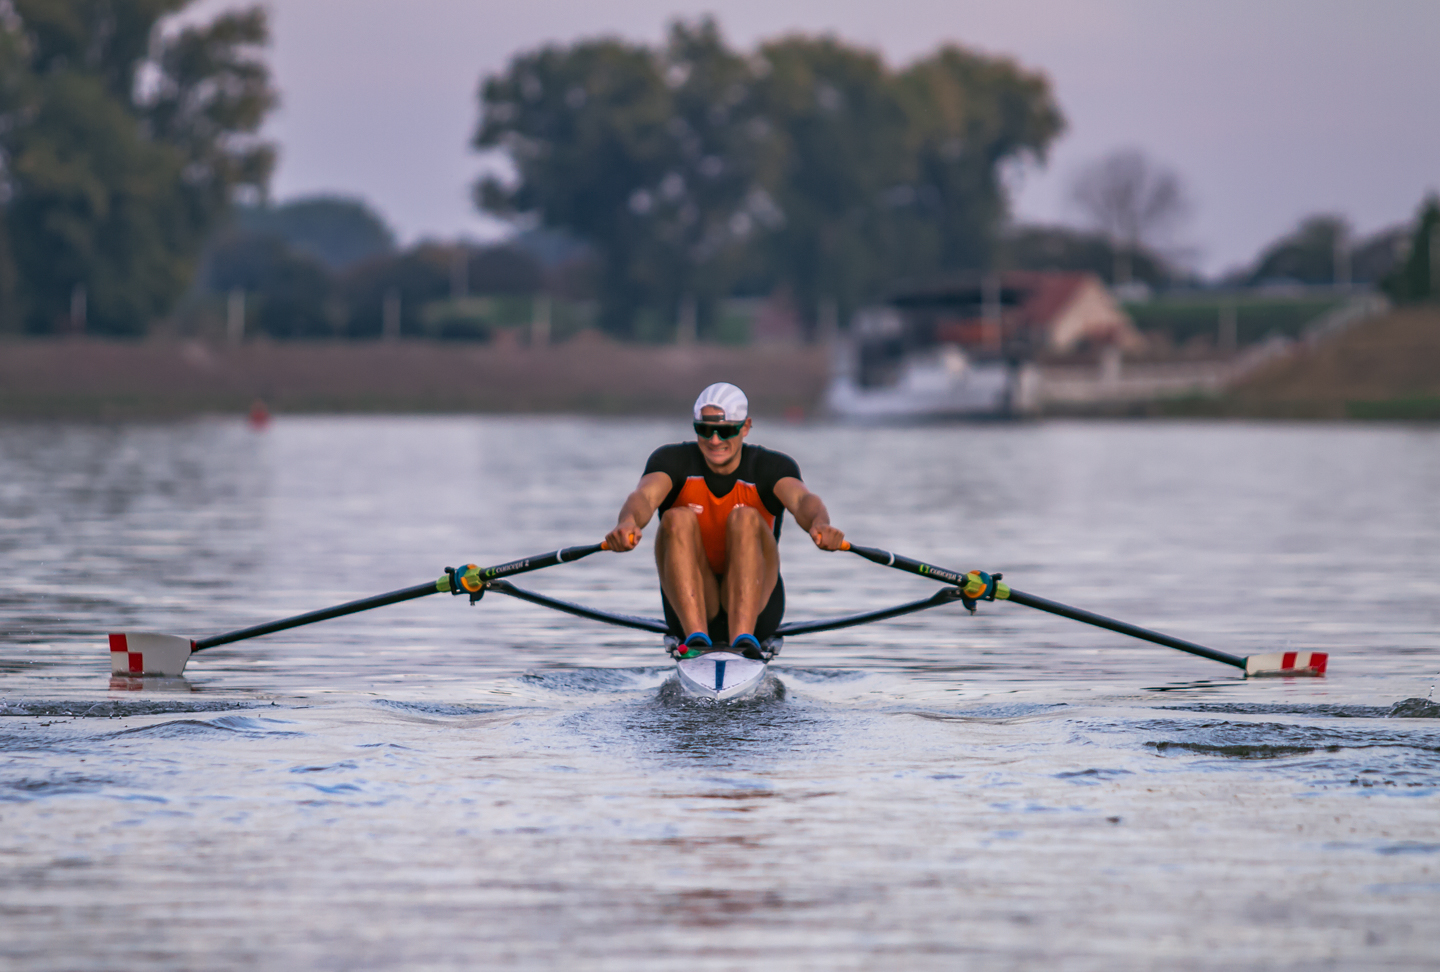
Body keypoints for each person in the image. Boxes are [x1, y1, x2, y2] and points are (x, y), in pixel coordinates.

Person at [605, 382, 845, 658]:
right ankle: (696, 639)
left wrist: (820, 524)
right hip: (689, 610)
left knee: (745, 518)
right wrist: (627, 522)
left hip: (759, 610)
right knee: (676, 517)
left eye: (726, 430)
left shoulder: (772, 466)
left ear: (745, 427)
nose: (715, 440)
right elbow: (644, 498)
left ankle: (743, 639)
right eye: (705, 429)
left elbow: (803, 501)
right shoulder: (671, 461)